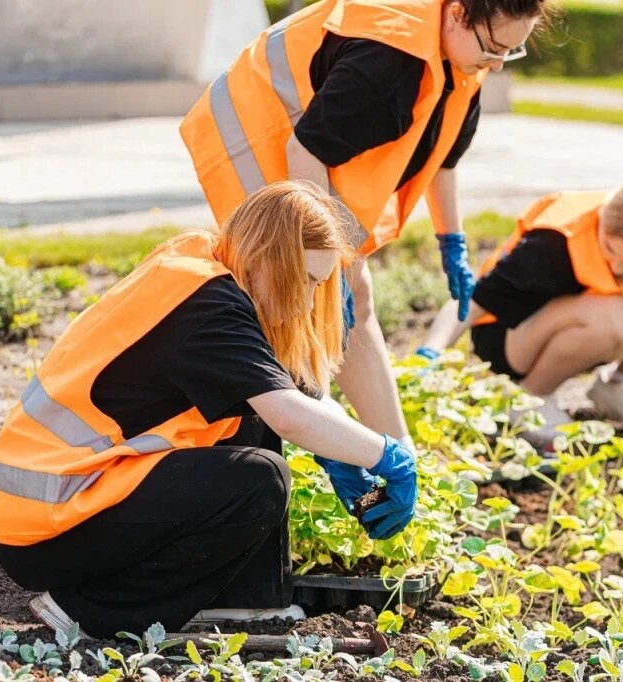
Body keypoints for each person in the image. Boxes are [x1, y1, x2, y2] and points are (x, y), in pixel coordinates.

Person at [0, 182, 418, 638]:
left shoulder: (212, 265)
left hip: (60, 504)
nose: (309, 301)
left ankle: (243, 600)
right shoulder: (211, 310)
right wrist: (388, 455)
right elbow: (289, 411)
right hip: (46, 531)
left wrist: (342, 453)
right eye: (307, 281)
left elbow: (291, 388)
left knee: (253, 418)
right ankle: (88, 612)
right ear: (269, 256)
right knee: (260, 480)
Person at [180, 0, 545, 450]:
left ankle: (394, 452)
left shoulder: (464, 60)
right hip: (256, 131)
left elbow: (443, 159)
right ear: (457, 13)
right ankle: (310, 440)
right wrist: (330, 264)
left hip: (308, 148)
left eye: (510, 52)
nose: (495, 61)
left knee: (350, 293)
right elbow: (305, 153)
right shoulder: (389, 62)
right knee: (290, 292)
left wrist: (453, 243)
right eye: (493, 47)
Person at [419, 178, 623, 456]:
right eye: (610, 249)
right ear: (602, 219)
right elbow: (474, 300)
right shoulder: (555, 240)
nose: (618, 268)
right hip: (510, 340)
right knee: (618, 312)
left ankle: (621, 388)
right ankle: (529, 401)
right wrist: (429, 353)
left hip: (600, 330)